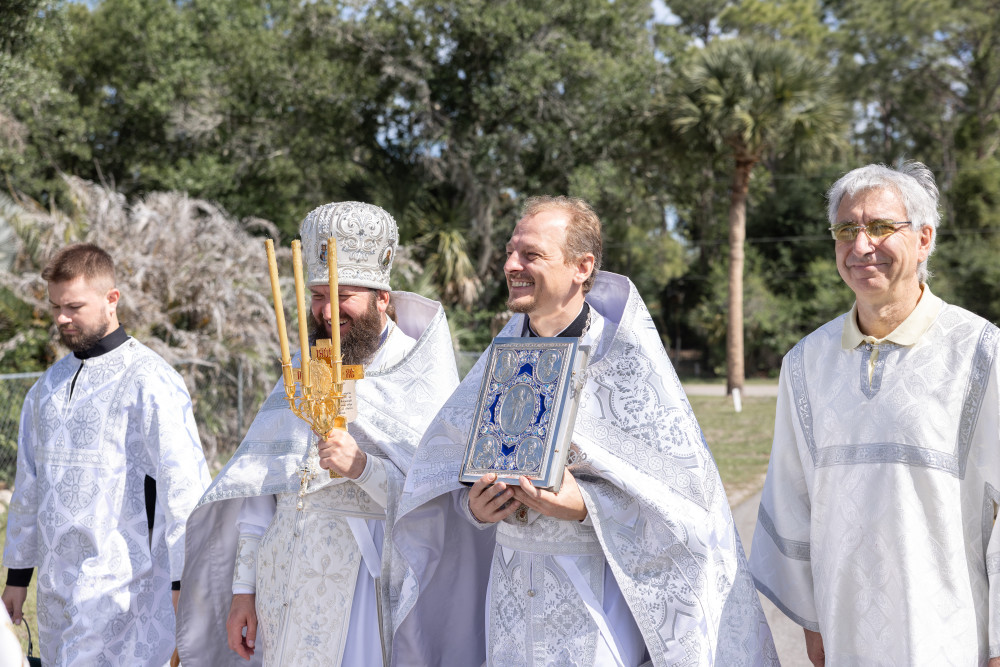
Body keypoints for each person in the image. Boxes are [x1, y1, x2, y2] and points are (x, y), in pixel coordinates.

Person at [391, 196, 777, 666]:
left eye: (531, 254)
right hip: (509, 598)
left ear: (582, 267)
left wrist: (585, 506)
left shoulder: (624, 362)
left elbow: (687, 509)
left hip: (592, 603)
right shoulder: (499, 358)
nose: (511, 265)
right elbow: (438, 476)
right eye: (510, 252)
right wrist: (474, 508)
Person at [175, 201, 459, 667]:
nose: (327, 311)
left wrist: (363, 468)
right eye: (318, 295)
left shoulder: (417, 373)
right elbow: (262, 486)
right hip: (282, 582)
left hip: (363, 587)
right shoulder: (304, 366)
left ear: (382, 298)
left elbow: (441, 500)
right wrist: (243, 591)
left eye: (342, 294)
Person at [748, 161, 1000, 666]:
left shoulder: (980, 353)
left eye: (881, 227)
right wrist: (813, 620)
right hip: (844, 632)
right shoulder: (806, 363)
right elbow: (792, 496)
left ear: (924, 239)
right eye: (846, 229)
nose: (861, 245)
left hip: (949, 637)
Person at [1, 243, 212, 666]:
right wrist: (18, 578)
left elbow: (184, 489)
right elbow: (29, 486)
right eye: (56, 306)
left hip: (125, 591)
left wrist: (184, 582)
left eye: (74, 306)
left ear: (111, 299)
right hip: (55, 591)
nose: (61, 318)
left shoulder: (151, 381)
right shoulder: (46, 388)